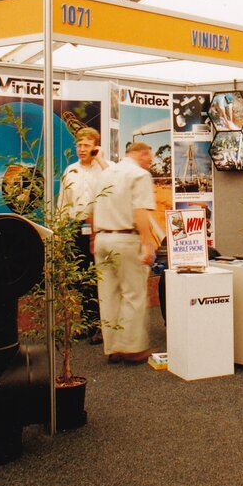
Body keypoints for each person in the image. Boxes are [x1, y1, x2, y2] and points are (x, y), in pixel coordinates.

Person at [94, 141, 158, 364]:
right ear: (141, 153)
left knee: (108, 295)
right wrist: (147, 244)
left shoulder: (105, 174)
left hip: (102, 238)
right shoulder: (140, 175)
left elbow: (93, 206)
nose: (150, 162)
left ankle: (113, 347)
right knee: (134, 293)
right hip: (125, 239)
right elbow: (140, 212)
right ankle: (131, 348)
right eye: (149, 157)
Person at [57, 127, 111, 345]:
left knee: (100, 278)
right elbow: (63, 202)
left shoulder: (106, 169)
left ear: (96, 147)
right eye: (79, 145)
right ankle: (88, 324)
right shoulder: (70, 171)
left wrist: (100, 160)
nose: (81, 149)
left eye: (86, 145)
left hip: (101, 228)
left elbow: (116, 184)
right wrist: (59, 232)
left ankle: (102, 326)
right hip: (78, 229)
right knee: (82, 280)